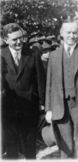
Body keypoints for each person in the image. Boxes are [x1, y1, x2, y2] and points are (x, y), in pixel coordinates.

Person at [45, 19, 78, 159]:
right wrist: (48, 109)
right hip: (60, 106)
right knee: (65, 148)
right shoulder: (54, 56)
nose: (72, 36)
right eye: (68, 32)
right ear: (61, 33)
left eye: (75, 32)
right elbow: (49, 84)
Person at [1, 23, 45, 159]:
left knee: (30, 146)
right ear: (5, 39)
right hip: (8, 110)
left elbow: (40, 81)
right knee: (11, 147)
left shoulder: (33, 54)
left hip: (29, 108)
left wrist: (43, 104)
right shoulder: (1, 56)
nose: (19, 41)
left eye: (20, 38)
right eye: (14, 39)